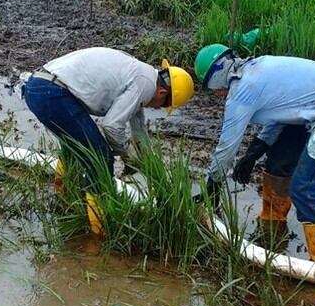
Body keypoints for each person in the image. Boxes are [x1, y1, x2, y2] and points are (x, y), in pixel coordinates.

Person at [194, 44, 315, 266]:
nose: (217, 94)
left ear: (216, 77)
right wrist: (254, 153)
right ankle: (271, 236)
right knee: (278, 163)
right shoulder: (257, 68)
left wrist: (212, 185)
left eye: (212, 89)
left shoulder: (242, 90)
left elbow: (227, 146)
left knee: (305, 189)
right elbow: (284, 112)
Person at [23, 47, 194, 234]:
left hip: (40, 86)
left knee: (76, 145)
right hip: (51, 93)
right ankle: (99, 232)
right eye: (163, 106)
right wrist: (123, 152)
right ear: (162, 93)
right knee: (100, 157)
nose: (158, 108)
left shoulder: (143, 76)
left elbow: (138, 129)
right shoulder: (144, 84)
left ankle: (63, 202)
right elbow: (112, 126)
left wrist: (149, 165)